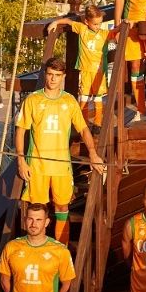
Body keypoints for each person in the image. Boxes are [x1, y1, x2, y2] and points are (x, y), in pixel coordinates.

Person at [15, 57, 104, 246]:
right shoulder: (33, 100)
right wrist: (21, 160)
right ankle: (37, 249)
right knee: (37, 211)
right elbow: (21, 130)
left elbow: (83, 129)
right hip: (38, 166)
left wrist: (93, 153)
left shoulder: (69, 101)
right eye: (50, 74)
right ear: (45, 75)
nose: (53, 79)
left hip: (61, 166)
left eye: (57, 75)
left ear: (63, 76)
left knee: (62, 207)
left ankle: (61, 249)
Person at [47, 6, 119, 126]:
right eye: (95, 24)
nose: (98, 26)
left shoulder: (104, 33)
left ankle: (97, 123)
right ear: (86, 21)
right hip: (85, 70)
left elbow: (116, 31)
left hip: (99, 71)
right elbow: (68, 21)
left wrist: (124, 25)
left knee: (98, 97)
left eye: (100, 23)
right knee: (84, 96)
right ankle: (83, 122)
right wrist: (56, 22)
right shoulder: (82, 29)